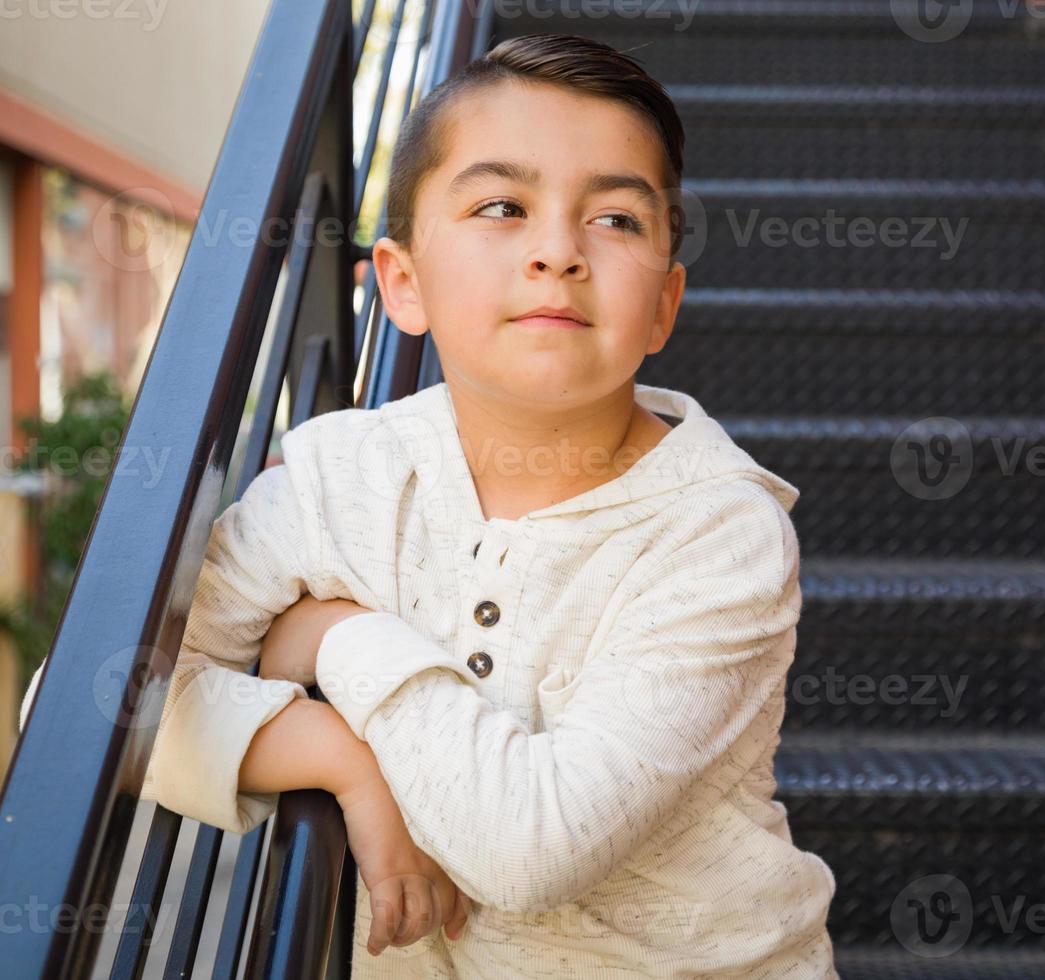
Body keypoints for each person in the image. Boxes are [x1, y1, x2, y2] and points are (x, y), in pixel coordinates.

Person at [20, 32, 838, 979]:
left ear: (662, 304)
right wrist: (338, 755)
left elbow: (530, 851)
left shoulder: (719, 530)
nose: (556, 252)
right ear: (401, 284)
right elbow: (84, 708)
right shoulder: (343, 477)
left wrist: (337, 639)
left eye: (614, 220)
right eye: (502, 206)